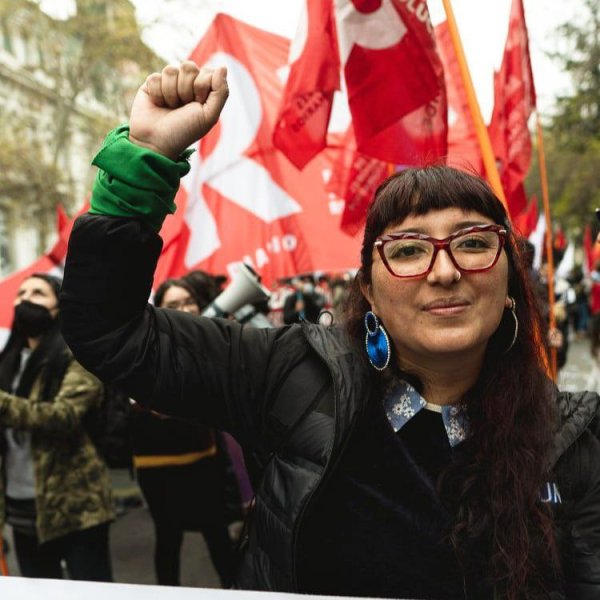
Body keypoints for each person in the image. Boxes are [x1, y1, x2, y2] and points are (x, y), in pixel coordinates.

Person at [59, 62, 600, 599]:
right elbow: (111, 330)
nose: (444, 271)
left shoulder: (572, 441)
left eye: (474, 243)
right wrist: (145, 159)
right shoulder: (288, 374)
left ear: (510, 277)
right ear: (368, 287)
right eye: (408, 250)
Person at [0, 273, 114, 580]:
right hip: (21, 508)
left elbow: (64, 416)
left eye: (39, 293)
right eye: (21, 292)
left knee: (91, 592)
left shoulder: (78, 355)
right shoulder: (6, 361)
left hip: (76, 508)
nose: (25, 298)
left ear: (58, 307)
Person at [133, 276, 236, 586]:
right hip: (159, 467)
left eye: (189, 302)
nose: (184, 309)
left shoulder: (213, 342)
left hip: (203, 460)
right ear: (158, 311)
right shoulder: (144, 351)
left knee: (217, 534)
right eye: (174, 305)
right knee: (168, 538)